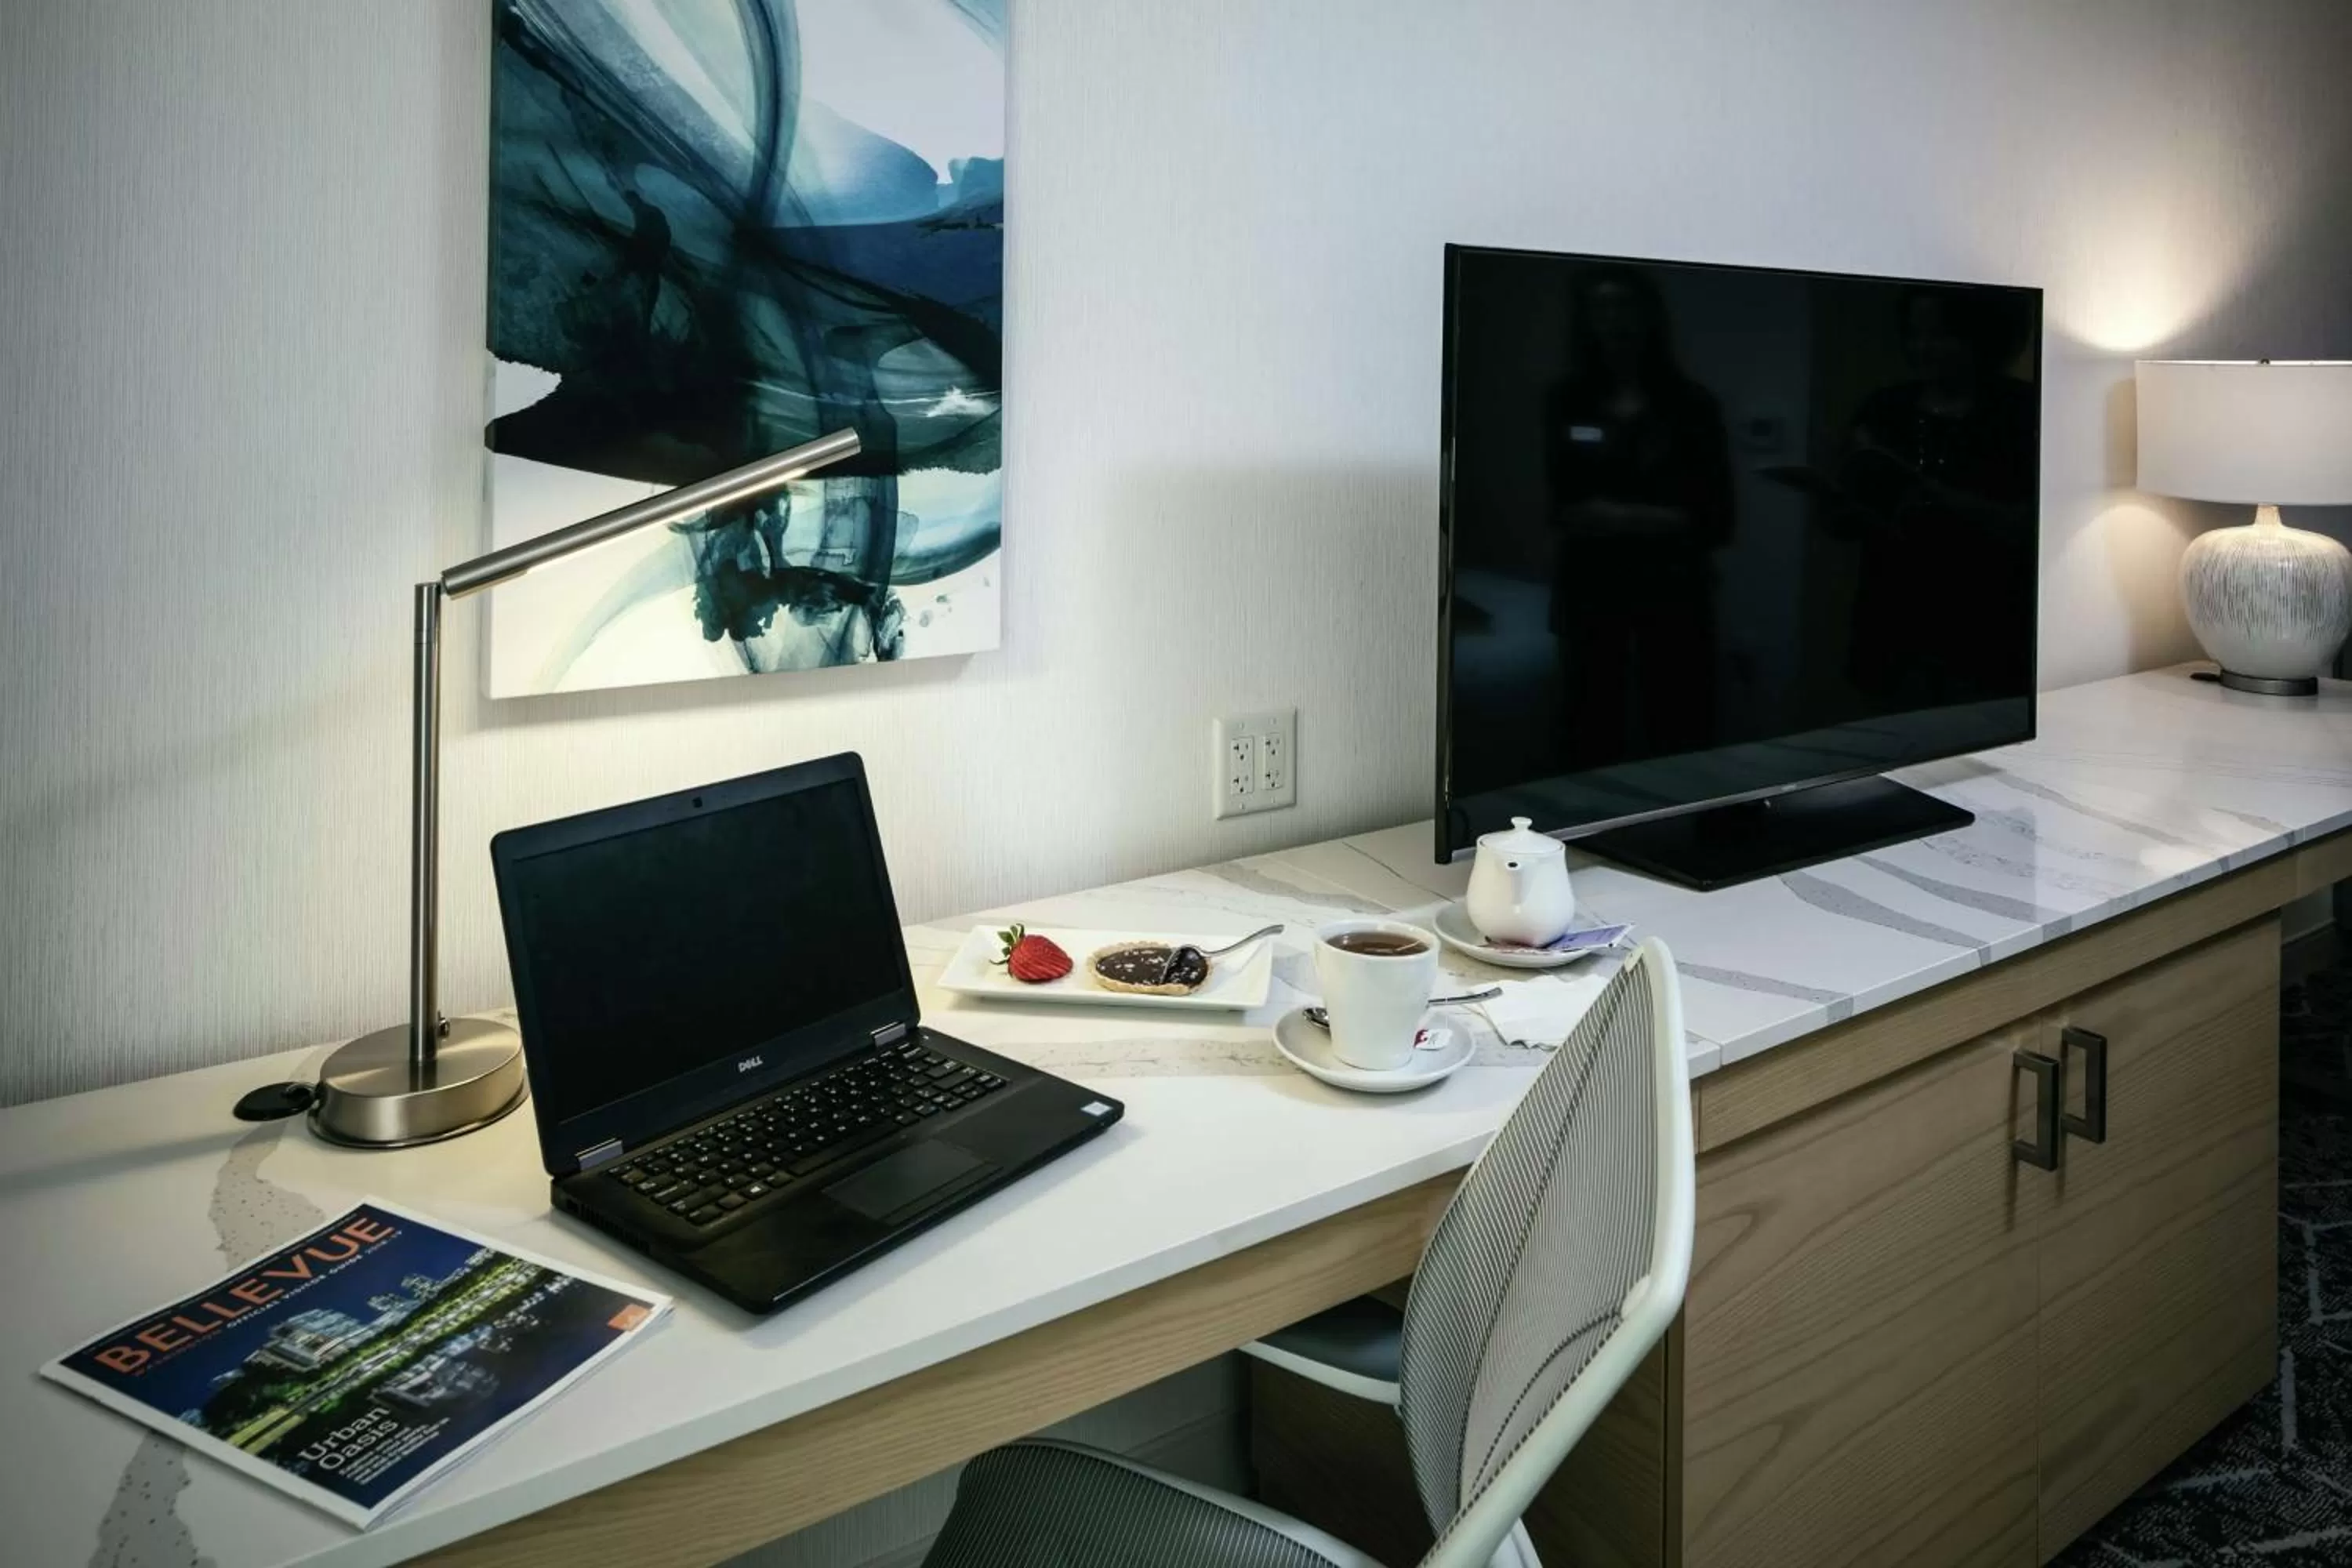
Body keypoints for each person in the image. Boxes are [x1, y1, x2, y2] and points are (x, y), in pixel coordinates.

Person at [1544, 267, 1734, 770]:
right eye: (1600, 307)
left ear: (1650, 316)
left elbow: (1717, 519)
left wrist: (1621, 516)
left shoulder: (1692, 406)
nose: (1614, 320)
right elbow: (1562, 507)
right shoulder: (1567, 402)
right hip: (1591, 591)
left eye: (1625, 305)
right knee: (1589, 726)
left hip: (1674, 592)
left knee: (1680, 726)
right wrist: (1654, 519)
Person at [1835, 287, 2038, 707]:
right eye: (1914, 334)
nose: (1922, 348)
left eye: (1940, 334)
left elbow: (2028, 524)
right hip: (1892, 616)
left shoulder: (2019, 412)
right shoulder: (1885, 408)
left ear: (1980, 337)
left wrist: (1937, 496)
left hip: (1985, 619)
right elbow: (1848, 521)